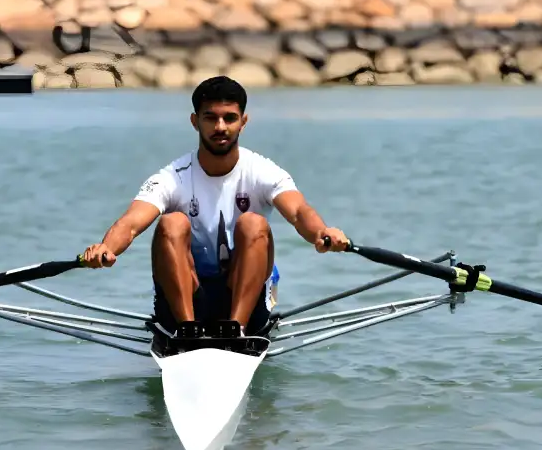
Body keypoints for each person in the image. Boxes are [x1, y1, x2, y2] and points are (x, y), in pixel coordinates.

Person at [81, 76, 349, 339]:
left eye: (230, 118)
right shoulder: (172, 176)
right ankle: (187, 330)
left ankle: (237, 330)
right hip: (185, 299)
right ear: (194, 121)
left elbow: (299, 211)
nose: (220, 127)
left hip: (246, 297)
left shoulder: (262, 171)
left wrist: (321, 232)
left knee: (253, 224)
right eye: (210, 118)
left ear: (243, 122)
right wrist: (107, 248)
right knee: (171, 223)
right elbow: (130, 224)